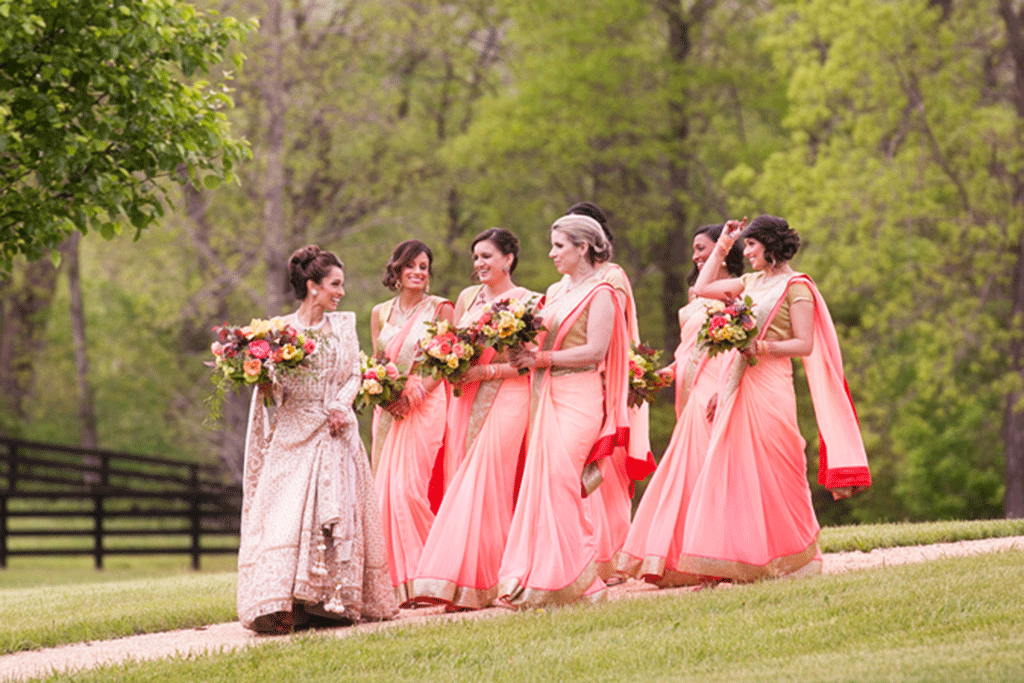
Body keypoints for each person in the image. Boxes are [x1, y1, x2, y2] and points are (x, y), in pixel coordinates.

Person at [676, 215, 871, 582]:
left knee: (780, 464)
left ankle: (796, 555)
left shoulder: (796, 287)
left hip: (771, 382)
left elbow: (804, 343)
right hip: (738, 382)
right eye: (745, 245)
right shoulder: (749, 282)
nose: (746, 252)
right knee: (731, 466)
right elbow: (702, 288)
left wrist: (760, 346)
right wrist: (723, 244)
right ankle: (741, 559)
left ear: (770, 245)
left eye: (751, 245)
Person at [237, 245, 398, 633]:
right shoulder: (279, 331)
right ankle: (282, 603)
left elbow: (353, 375)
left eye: (340, 284)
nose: (341, 291)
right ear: (312, 286)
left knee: (335, 516)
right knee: (285, 518)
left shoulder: (343, 326)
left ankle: (331, 600)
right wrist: (262, 376)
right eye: (334, 284)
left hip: (335, 430)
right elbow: (275, 392)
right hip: (294, 433)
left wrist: (343, 407)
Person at [496, 214, 645, 609]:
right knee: (542, 484)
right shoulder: (555, 290)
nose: (551, 253)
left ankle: (580, 579)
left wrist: (539, 358)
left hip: (580, 393)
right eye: (552, 245)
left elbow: (595, 350)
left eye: (560, 246)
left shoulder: (602, 292)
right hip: (547, 393)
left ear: (584, 247)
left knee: (562, 480)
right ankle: (541, 579)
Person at [411, 228, 542, 610]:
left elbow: (527, 365)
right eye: (476, 258)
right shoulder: (468, 298)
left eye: (487, 256)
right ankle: (470, 581)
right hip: (464, 399)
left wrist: (484, 373)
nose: (480, 264)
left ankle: (489, 580)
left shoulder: (529, 302)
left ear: (508, 260)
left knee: (489, 482)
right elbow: (453, 344)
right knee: (462, 477)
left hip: (507, 395)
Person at [615, 223, 745, 586]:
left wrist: (726, 389)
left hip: (717, 385)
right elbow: (687, 352)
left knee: (709, 467)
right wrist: (659, 375)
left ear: (723, 249)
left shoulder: (736, 291)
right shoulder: (695, 296)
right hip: (690, 390)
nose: (695, 255)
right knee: (686, 471)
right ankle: (678, 557)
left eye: (702, 248)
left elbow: (738, 344)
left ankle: (720, 557)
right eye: (693, 249)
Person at [564, 202, 655, 581]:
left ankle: (615, 554)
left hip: (608, 378)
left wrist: (620, 379)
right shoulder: (563, 284)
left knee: (610, 470)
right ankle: (587, 555)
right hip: (571, 384)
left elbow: (618, 334)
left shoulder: (612, 278)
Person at [370, 240, 454, 606]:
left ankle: (434, 574)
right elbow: (377, 360)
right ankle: (393, 583)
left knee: (409, 489)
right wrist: (384, 395)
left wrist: (416, 396)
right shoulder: (380, 312)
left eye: (424, 266)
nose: (418, 272)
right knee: (383, 493)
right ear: (397, 270)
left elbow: (448, 361)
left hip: (426, 400)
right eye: (411, 266)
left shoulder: (441, 308)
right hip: (389, 407)